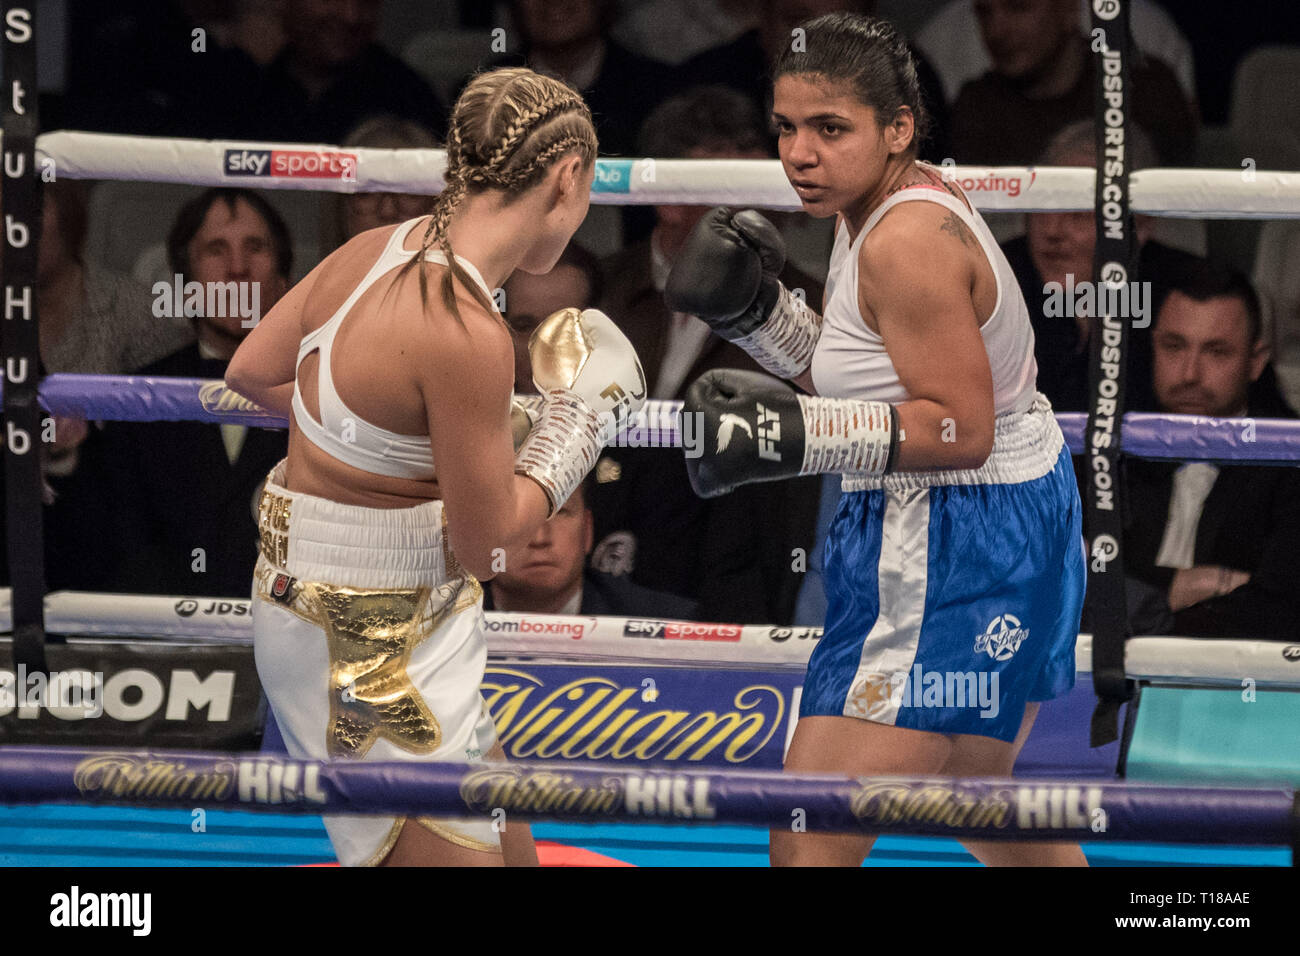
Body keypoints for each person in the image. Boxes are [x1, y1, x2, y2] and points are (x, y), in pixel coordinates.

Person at [665, 13, 1086, 866]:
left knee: (808, 837)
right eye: (786, 127)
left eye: (830, 128)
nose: (800, 153)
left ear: (898, 128)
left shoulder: (905, 243)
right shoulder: (881, 204)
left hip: (953, 536)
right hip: (998, 522)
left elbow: (957, 430)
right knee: (976, 803)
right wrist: (761, 318)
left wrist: (801, 435)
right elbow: (866, 377)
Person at [226, 67, 645, 867]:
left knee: (509, 850)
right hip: (365, 635)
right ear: (567, 178)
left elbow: (251, 370)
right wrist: (573, 429)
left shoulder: (373, 249)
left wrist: (387, 448)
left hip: (374, 602)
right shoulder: (463, 328)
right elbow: (492, 549)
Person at [59, 189, 294, 597]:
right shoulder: (137, 400)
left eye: (255, 248)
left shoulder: (321, 398)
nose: (238, 269)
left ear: (283, 280)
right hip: (164, 646)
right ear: (186, 287)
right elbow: (112, 550)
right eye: (216, 250)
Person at [1120, 261, 1300, 640]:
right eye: (1174, 346)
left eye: (1216, 352)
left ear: (1256, 362)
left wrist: (1143, 596)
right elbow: (1075, 583)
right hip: (1111, 677)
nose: (1189, 374)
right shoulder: (1111, 448)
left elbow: (1278, 612)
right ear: (1153, 344)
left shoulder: (1289, 461)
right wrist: (1181, 587)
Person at [483, 472, 698, 619]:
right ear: (480, 535)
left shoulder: (668, 627)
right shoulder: (451, 628)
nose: (540, 539)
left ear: (587, 531)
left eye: (560, 513)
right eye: (518, 516)